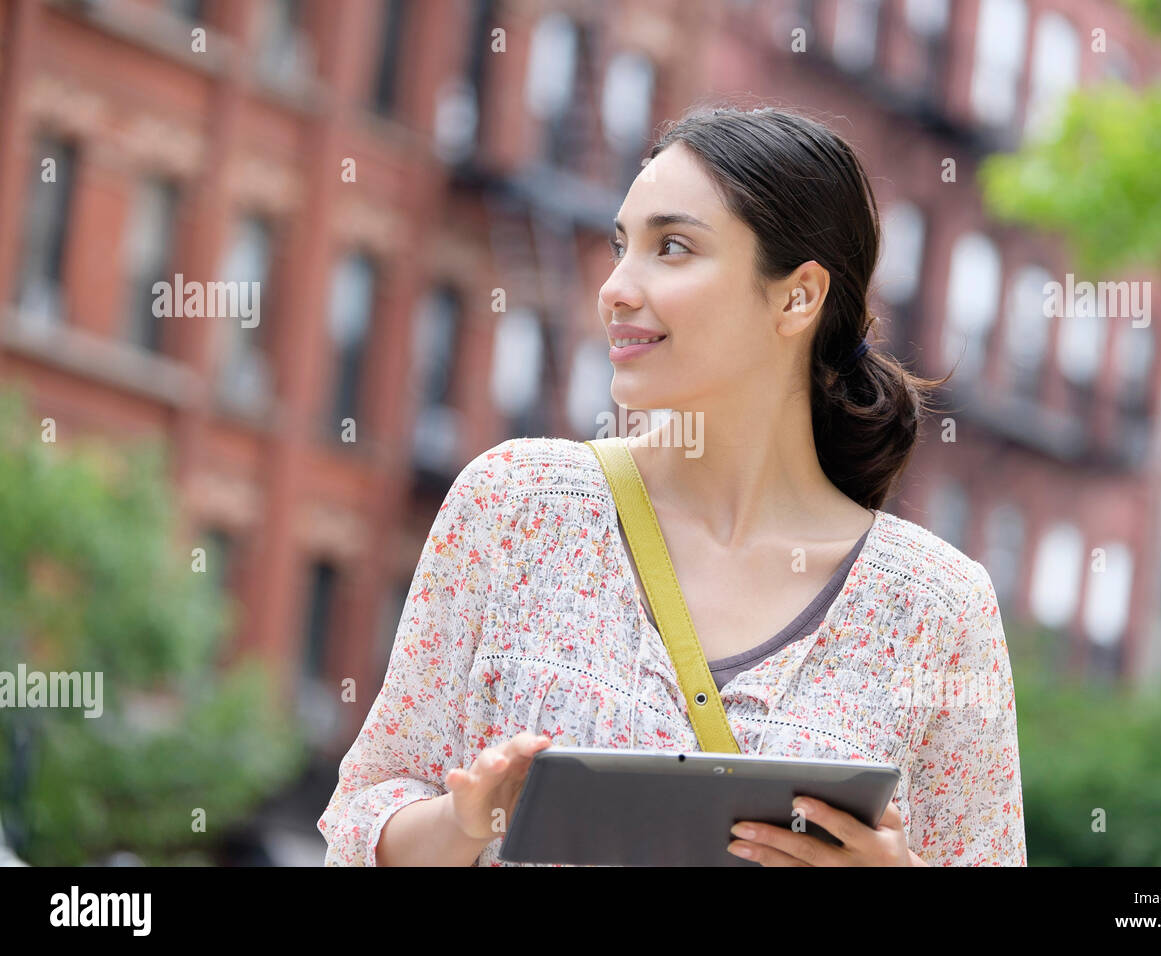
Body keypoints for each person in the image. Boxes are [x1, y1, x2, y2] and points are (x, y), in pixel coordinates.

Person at [318, 105, 1027, 867]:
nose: (616, 288)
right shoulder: (514, 507)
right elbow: (364, 816)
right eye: (622, 245)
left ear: (799, 296)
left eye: (673, 247)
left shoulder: (937, 609)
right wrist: (465, 823)